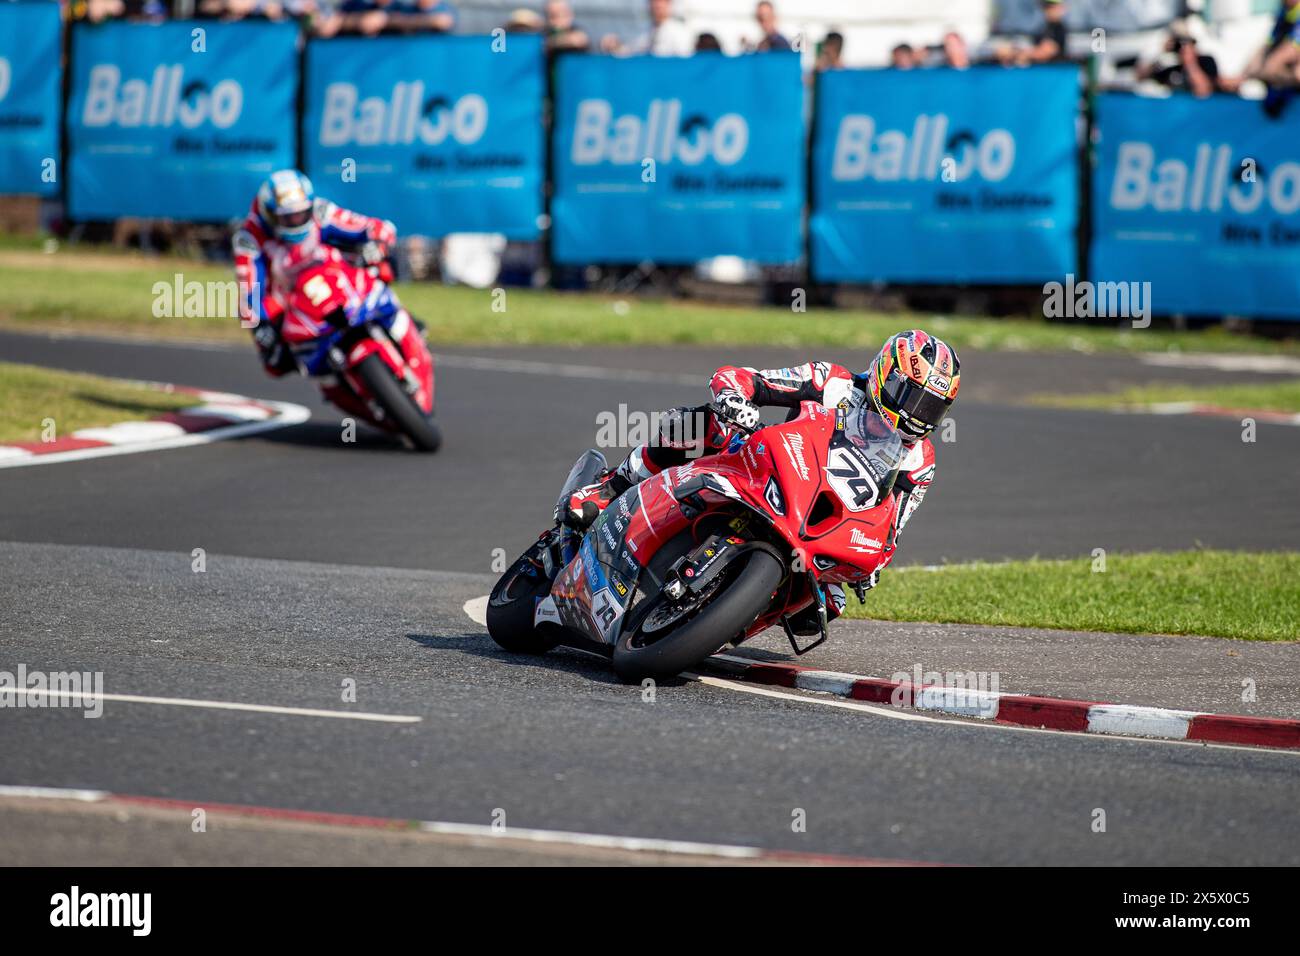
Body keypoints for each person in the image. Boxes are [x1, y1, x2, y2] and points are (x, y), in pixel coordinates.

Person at [564, 330, 962, 635]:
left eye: (930, 407)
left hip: (823, 520)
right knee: (704, 423)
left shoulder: (920, 460)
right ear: (884, 374)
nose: (916, 415)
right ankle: (614, 484)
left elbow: (894, 525)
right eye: (909, 397)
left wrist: (872, 567)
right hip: (764, 466)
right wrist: (736, 400)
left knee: (829, 602)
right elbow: (745, 378)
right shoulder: (831, 382)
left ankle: (719, 627)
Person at [233, 170, 396, 376]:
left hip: (336, 273)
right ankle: (320, 368)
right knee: (273, 360)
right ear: (270, 214)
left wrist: (378, 244)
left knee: (385, 267)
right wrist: (260, 325)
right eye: (287, 217)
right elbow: (249, 287)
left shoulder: (320, 211)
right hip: (291, 296)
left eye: (301, 213)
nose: (296, 220)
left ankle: (400, 324)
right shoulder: (249, 237)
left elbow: (373, 227)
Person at [1137, 28, 1220, 98]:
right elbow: (1140, 77)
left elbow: (1203, 91)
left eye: (1187, 43)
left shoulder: (1206, 61)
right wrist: (1160, 50)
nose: (1182, 48)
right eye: (1179, 44)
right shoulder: (1170, 64)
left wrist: (1190, 62)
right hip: (1176, 109)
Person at [602, 0, 693, 57]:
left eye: (662, 2)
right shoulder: (647, 32)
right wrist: (616, 48)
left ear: (669, 4)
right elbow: (633, 52)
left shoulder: (679, 32)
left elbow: (684, 62)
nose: (657, 6)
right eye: (654, 2)